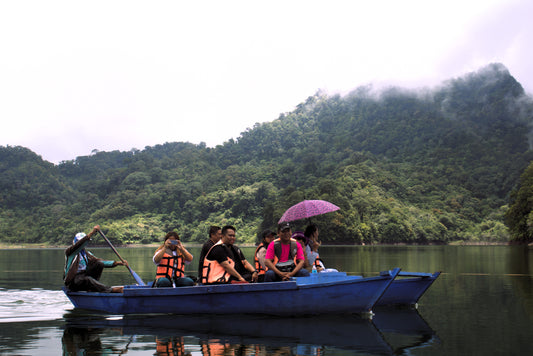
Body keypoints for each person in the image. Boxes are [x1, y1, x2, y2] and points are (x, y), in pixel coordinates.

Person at [63, 225, 127, 293]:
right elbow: (79, 244)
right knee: (87, 279)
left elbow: (100, 262)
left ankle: (92, 288)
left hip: (84, 278)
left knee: (99, 263)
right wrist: (92, 233)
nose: (84, 245)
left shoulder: (87, 254)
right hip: (73, 282)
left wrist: (117, 263)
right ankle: (110, 290)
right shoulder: (70, 252)